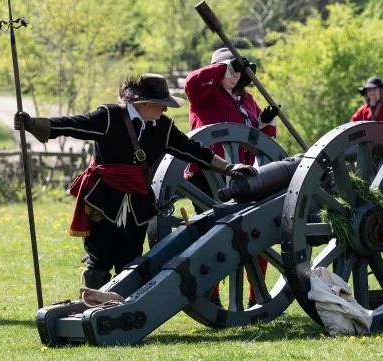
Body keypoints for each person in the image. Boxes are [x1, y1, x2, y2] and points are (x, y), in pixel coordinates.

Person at [14, 73, 257, 290]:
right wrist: (34, 124)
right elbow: (73, 125)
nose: (165, 111)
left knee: (130, 259)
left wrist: (229, 167)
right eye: (162, 105)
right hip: (104, 200)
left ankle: (124, 310)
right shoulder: (109, 117)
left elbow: (192, 150)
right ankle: (92, 306)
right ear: (145, 103)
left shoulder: (162, 126)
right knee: (99, 260)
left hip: (138, 202)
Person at [184, 47, 279, 307]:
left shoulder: (246, 99)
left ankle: (255, 296)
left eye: (238, 72)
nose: (234, 76)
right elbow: (191, 81)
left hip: (244, 177)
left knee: (256, 231)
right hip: (208, 175)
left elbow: (263, 140)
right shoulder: (204, 94)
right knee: (213, 237)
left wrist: (264, 121)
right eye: (230, 70)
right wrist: (227, 66)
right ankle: (210, 296)